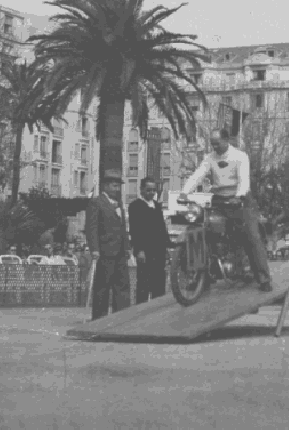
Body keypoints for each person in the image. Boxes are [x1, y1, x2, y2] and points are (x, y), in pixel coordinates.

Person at [179, 128, 272, 292]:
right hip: (219, 200)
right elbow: (197, 175)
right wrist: (184, 192)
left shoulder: (240, 156)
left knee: (251, 236)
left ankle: (263, 279)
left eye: (217, 143)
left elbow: (244, 180)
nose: (214, 147)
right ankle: (199, 277)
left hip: (241, 200)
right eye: (212, 144)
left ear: (226, 140)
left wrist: (239, 196)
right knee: (200, 230)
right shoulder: (209, 158)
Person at [85, 168, 131, 320]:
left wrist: (127, 248)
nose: (117, 188)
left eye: (118, 186)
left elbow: (123, 229)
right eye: (114, 185)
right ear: (105, 186)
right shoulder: (96, 203)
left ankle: (121, 317)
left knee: (122, 286)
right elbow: (91, 228)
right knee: (102, 287)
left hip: (120, 253)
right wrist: (94, 249)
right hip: (104, 252)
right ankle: (99, 318)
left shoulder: (119, 204)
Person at [128, 176, 171, 304]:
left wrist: (166, 247)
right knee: (144, 284)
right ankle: (140, 312)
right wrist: (139, 250)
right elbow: (135, 230)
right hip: (145, 252)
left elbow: (162, 227)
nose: (151, 193)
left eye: (153, 190)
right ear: (141, 190)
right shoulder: (135, 206)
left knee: (159, 283)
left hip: (158, 251)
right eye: (148, 190)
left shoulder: (157, 206)